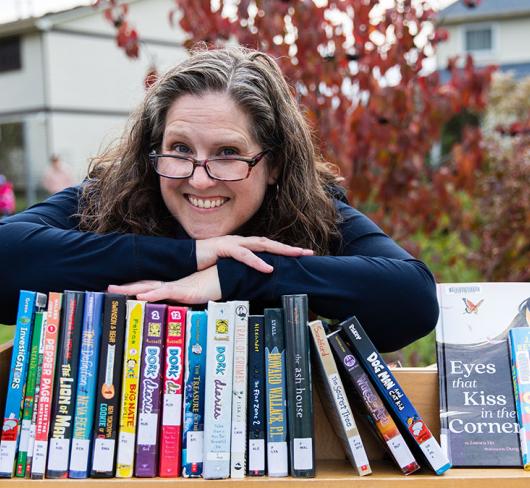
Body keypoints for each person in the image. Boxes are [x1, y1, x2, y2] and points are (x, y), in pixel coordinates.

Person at [0, 46, 438, 352]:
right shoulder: (112, 196)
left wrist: (241, 276)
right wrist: (189, 256)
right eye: (180, 149)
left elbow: (412, 298)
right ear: (152, 150)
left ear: (275, 165)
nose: (200, 179)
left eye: (228, 154)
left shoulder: (313, 211)